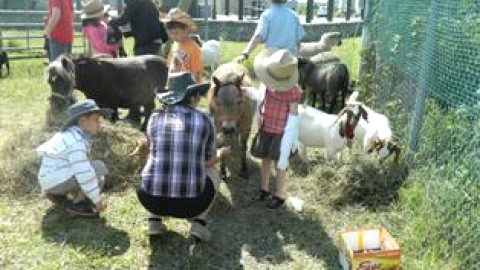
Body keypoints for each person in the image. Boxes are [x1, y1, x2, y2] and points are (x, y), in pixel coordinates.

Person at [137, 72, 229, 241]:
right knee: (213, 173)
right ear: (193, 97)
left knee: (154, 163)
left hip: (149, 198)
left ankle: (154, 221)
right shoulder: (204, 120)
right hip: (190, 205)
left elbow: (150, 148)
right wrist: (221, 153)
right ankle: (199, 224)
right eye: (198, 95)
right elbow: (207, 161)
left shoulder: (154, 118)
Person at [37, 99, 110, 218]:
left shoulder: (70, 135)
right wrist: (97, 201)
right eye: (96, 120)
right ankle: (76, 205)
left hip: (51, 180)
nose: (99, 123)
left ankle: (60, 197)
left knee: (99, 179)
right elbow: (84, 173)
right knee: (97, 167)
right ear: (82, 120)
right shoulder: (76, 142)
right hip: (56, 181)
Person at [249, 48, 301, 209]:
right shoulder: (267, 82)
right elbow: (259, 96)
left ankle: (280, 193)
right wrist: (246, 92)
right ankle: (264, 188)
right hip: (266, 128)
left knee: (280, 163)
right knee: (265, 158)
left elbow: (293, 115)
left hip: (280, 132)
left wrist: (289, 138)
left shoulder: (292, 90)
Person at [237, 0, 305, 61]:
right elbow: (298, 41)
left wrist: (245, 53)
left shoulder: (267, 14)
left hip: (272, 61)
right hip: (291, 62)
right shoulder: (294, 16)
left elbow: (258, 36)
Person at [163, 8, 203, 83]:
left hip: (188, 88)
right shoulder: (174, 45)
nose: (174, 36)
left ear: (186, 30)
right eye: (171, 33)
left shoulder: (194, 48)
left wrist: (194, 91)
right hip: (174, 86)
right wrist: (168, 84)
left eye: (177, 33)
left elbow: (196, 73)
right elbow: (171, 67)